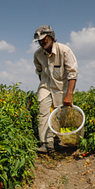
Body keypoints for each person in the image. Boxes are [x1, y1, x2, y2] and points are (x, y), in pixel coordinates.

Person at [33, 25, 78, 153]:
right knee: (44, 114)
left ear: (51, 37)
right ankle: (46, 144)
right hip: (46, 86)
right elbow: (40, 72)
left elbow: (72, 73)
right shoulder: (37, 55)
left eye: (43, 39)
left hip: (61, 88)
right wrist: (44, 85)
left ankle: (57, 141)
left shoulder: (64, 51)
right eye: (39, 40)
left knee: (60, 116)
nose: (41, 42)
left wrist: (69, 94)